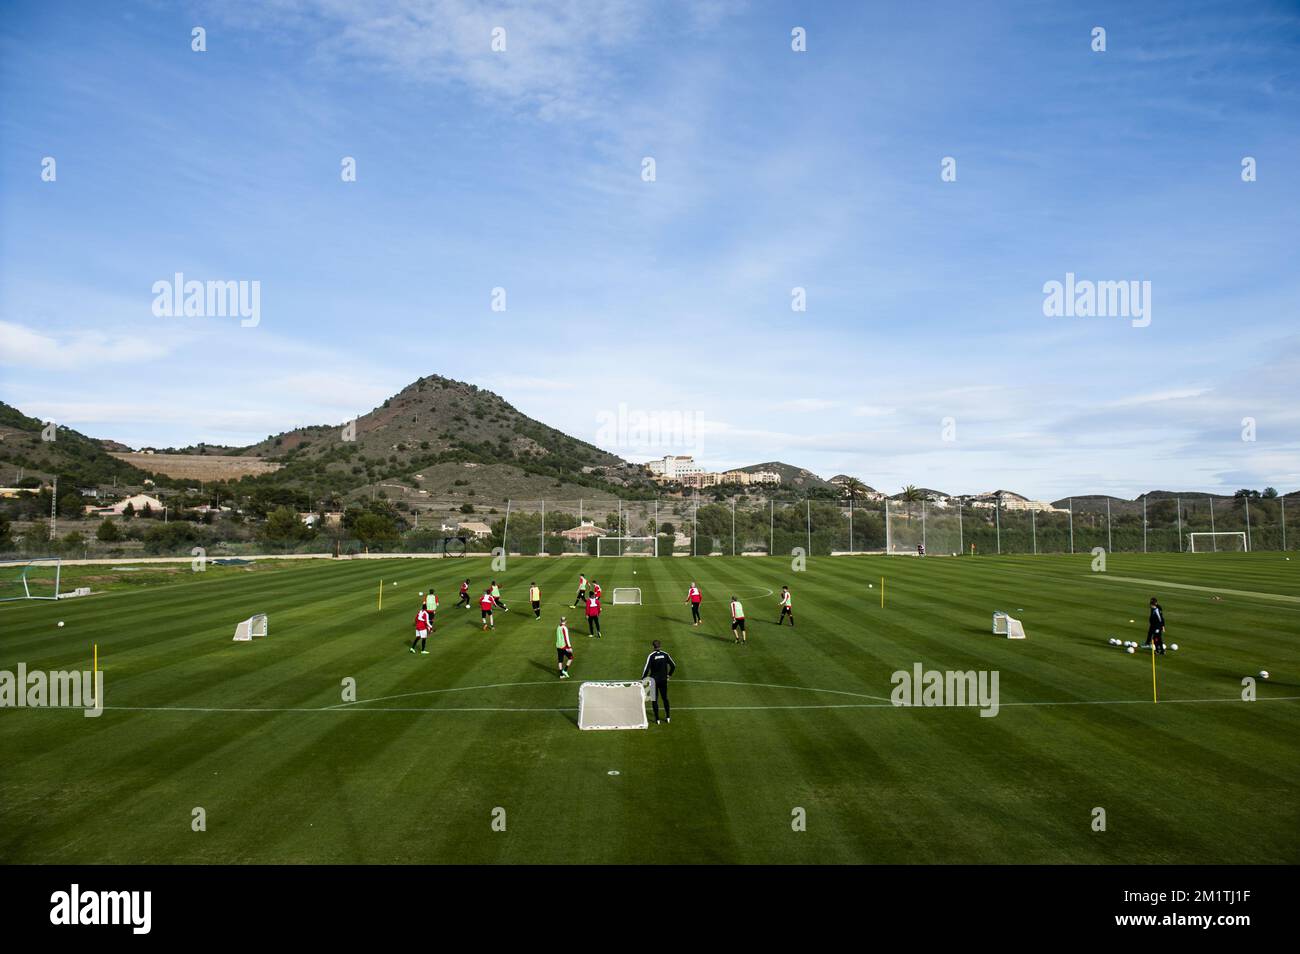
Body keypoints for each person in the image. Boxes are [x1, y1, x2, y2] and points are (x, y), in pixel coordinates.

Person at [641, 639, 676, 724]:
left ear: (653, 647)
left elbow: (646, 669)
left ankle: (657, 719)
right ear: (660, 646)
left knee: (654, 700)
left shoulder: (651, 656)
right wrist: (669, 675)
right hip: (663, 680)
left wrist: (643, 679)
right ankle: (668, 717)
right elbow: (673, 665)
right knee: (665, 698)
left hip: (653, 681)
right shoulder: (665, 654)